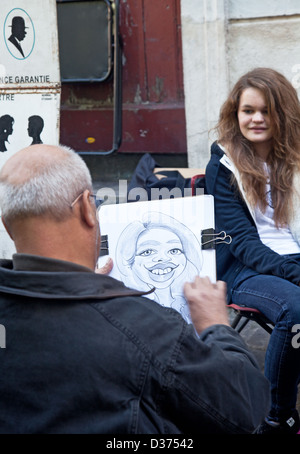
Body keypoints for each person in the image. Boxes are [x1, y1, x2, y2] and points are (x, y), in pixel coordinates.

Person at [0, 144, 270, 434]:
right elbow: (245, 405)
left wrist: (72, 282)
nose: (162, 260)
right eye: (147, 252)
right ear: (86, 209)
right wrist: (217, 326)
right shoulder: (147, 327)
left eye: (174, 250)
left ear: (7, 224)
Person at [205, 67, 300, 434]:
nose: (257, 119)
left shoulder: (292, 157)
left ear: (283, 113)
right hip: (247, 268)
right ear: (236, 114)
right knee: (295, 309)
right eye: (248, 110)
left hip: (293, 259)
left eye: (266, 110)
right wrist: (293, 273)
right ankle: (277, 415)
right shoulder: (224, 163)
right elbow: (241, 242)